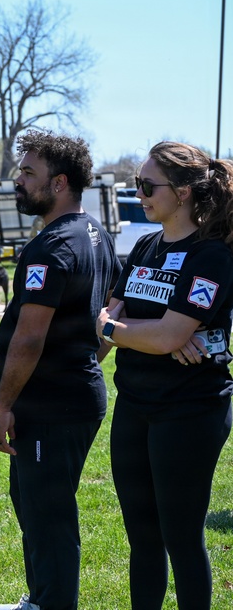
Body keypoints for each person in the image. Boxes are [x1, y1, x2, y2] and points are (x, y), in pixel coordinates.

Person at [97, 142, 233, 610]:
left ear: (184, 192)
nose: (140, 194)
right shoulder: (145, 246)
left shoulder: (211, 255)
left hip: (191, 410)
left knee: (181, 537)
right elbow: (123, 323)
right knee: (143, 537)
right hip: (134, 403)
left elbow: (156, 333)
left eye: (148, 186)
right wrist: (142, 331)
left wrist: (123, 329)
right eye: (137, 185)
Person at [0, 131, 122, 610]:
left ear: (59, 183)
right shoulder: (95, 233)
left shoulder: (53, 246)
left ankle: (52, 604)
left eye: (28, 173)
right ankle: (42, 597)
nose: (17, 181)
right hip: (69, 394)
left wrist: (4, 404)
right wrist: (88, 360)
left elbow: (30, 335)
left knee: (49, 515)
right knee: (34, 507)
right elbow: (107, 318)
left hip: (51, 404)